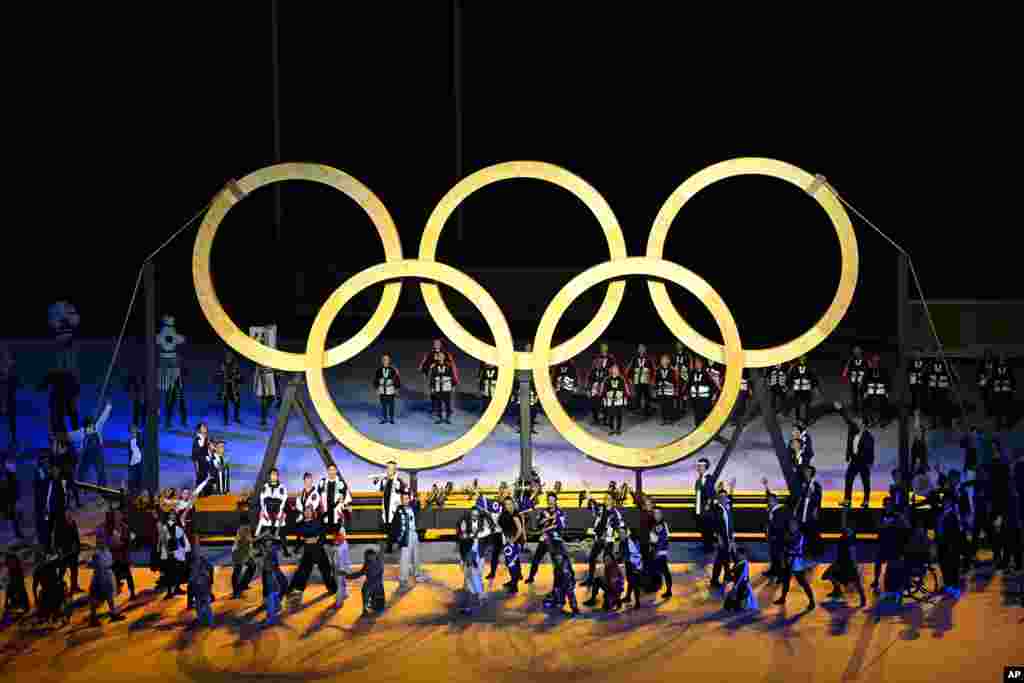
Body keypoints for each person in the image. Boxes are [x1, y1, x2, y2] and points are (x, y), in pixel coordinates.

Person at [579, 485, 623, 587]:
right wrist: (588, 495)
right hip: (598, 539)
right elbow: (593, 504)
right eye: (605, 498)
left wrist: (618, 537)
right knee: (592, 558)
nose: (605, 500)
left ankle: (610, 582)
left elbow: (620, 527)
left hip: (608, 541)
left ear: (613, 501)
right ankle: (590, 580)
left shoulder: (615, 513)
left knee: (608, 562)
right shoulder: (601, 509)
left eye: (608, 499)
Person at [288, 505, 338, 597]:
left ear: (312, 512)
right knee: (303, 571)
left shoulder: (317, 522)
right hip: (308, 551)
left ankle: (333, 589)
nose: (307, 512)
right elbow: (299, 537)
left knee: (326, 571)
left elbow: (322, 536)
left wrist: (317, 541)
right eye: (305, 511)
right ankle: (297, 589)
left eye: (309, 511)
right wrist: (296, 549)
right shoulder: (300, 523)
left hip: (318, 550)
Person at [836, 401, 875, 508]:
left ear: (863, 423)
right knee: (848, 479)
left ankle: (866, 501)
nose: (856, 421)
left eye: (859, 420)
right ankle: (847, 500)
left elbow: (871, 451)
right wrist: (841, 409)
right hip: (854, 460)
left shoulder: (869, 437)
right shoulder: (853, 430)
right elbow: (848, 420)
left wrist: (870, 463)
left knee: (865, 482)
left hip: (863, 462)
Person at [68, 401, 112, 488]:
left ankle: (103, 488)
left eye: (92, 426)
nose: (91, 429)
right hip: (86, 454)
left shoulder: (97, 427)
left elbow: (103, 418)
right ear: (85, 427)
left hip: (97, 453)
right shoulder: (80, 433)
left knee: (101, 470)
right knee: (82, 470)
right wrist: (60, 435)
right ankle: (78, 486)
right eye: (89, 427)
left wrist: (108, 406)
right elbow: (69, 436)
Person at [525, 492, 567, 585]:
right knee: (536, 559)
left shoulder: (560, 512)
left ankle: (558, 582)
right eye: (549, 500)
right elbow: (538, 524)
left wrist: (550, 524)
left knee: (556, 562)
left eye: (553, 500)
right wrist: (544, 520)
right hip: (544, 539)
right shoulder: (543, 511)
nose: (551, 502)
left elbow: (561, 526)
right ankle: (531, 577)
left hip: (555, 540)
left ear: (556, 501)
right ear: (547, 501)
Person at [774, 517, 816, 610]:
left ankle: (812, 601)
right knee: (785, 581)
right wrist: (783, 560)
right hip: (788, 560)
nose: (792, 526)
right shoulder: (788, 535)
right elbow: (783, 548)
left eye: (793, 525)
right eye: (790, 525)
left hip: (797, 562)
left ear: (797, 525)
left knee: (803, 583)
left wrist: (787, 550)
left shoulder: (800, 536)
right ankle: (783, 598)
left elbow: (795, 548)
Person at [456, 508, 491, 613]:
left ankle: (478, 597)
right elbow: (462, 541)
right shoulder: (466, 527)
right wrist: (462, 559)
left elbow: (486, 534)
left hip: (479, 555)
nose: (475, 516)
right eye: (473, 515)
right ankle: (472, 602)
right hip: (469, 555)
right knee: (469, 578)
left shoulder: (483, 527)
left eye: (476, 514)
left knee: (477, 575)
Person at [157, 316, 188, 430]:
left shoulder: (166, 334)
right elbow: (181, 339)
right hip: (170, 374)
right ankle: (168, 421)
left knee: (176, 398)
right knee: (170, 398)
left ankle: (174, 420)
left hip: (173, 375)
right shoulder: (168, 334)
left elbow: (180, 339)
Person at [822, 527, 867, 607]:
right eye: (847, 531)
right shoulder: (843, 539)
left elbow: (852, 552)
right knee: (828, 575)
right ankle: (837, 590)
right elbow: (845, 552)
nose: (848, 532)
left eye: (850, 531)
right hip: (841, 563)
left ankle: (863, 599)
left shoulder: (850, 540)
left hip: (848, 564)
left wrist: (854, 564)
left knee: (856, 581)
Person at [87, 536, 125, 626]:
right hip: (99, 577)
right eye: (100, 542)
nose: (102, 543)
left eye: (103, 541)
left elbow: (110, 562)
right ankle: (93, 618)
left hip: (108, 575)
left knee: (110, 596)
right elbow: (92, 563)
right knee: (96, 598)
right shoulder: (96, 553)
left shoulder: (107, 551)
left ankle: (113, 614)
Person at [372, 461, 407, 554]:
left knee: (395, 527)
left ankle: (392, 545)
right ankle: (390, 544)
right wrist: (377, 480)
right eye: (388, 468)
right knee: (387, 525)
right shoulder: (384, 480)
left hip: (395, 507)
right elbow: (380, 488)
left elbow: (404, 491)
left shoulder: (399, 481)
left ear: (395, 470)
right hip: (386, 506)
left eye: (392, 468)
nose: (389, 470)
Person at [394, 491, 426, 589]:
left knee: (416, 556)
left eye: (407, 498)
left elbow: (420, 505)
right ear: (401, 500)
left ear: (409, 499)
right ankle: (403, 579)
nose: (405, 500)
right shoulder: (399, 510)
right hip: (405, 535)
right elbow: (395, 526)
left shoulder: (413, 507)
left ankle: (418, 575)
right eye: (403, 499)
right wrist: (397, 539)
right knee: (405, 558)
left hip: (414, 533)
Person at [257, 534, 289, 624]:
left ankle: (276, 607)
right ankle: (271, 615)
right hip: (269, 573)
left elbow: (281, 543)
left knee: (280, 588)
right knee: (271, 593)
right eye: (266, 541)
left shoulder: (272, 548)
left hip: (274, 571)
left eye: (269, 540)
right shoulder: (265, 550)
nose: (269, 542)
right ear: (264, 543)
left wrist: (272, 537)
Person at [761, 478, 788, 582]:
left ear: (775, 501)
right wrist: (766, 485)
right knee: (773, 555)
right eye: (768, 501)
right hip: (771, 537)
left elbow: (780, 526)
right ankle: (773, 571)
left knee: (779, 557)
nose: (768, 502)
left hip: (778, 538)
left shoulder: (781, 510)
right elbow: (768, 494)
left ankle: (781, 575)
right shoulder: (771, 509)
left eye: (770, 501)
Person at [498, 496, 526, 594]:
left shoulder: (515, 515)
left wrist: (513, 541)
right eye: (506, 504)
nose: (508, 506)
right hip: (507, 541)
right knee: (513, 562)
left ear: (513, 504)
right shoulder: (504, 514)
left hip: (514, 543)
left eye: (510, 504)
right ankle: (514, 580)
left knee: (511, 564)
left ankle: (514, 586)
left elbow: (519, 530)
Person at [39, 369, 80, 435]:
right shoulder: (58, 376)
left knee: (66, 415)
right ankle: (59, 434)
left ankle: (69, 434)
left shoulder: (70, 379)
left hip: (65, 395)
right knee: (58, 417)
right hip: (60, 397)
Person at [105, 509, 135, 600]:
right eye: (115, 516)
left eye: (118, 515)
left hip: (123, 555)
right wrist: (111, 544)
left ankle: (132, 593)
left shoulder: (125, 527)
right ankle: (115, 590)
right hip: (114, 555)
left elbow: (128, 542)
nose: (117, 517)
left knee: (128, 575)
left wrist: (122, 544)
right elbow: (107, 540)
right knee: (115, 575)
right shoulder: (110, 528)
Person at [795, 465, 824, 559]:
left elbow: (818, 499)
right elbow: (800, 498)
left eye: (807, 471)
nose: (805, 473)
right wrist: (796, 509)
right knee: (802, 532)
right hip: (802, 511)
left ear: (811, 473)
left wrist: (816, 510)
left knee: (812, 534)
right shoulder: (803, 484)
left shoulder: (816, 485)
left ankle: (815, 552)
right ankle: (802, 551)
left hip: (810, 512)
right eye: (805, 471)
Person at [709, 486, 735, 591]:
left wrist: (732, 537)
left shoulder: (727, 506)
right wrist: (718, 538)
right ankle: (725, 577)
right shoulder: (716, 508)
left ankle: (720, 578)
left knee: (722, 559)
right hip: (722, 538)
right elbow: (714, 525)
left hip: (728, 537)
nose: (724, 499)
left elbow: (730, 522)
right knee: (723, 558)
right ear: (718, 498)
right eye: (721, 497)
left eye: (725, 497)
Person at [425, 348, 458, 425]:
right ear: (437, 357)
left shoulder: (449, 366)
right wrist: (432, 387)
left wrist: (453, 386)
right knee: (438, 403)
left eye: (441, 356)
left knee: (447, 404)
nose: (440, 357)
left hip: (447, 387)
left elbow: (452, 376)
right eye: (439, 356)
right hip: (438, 387)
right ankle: (440, 418)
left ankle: (447, 417)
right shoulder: (434, 367)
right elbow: (432, 378)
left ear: (444, 357)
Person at [317, 463, 352, 534]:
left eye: (333, 470)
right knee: (323, 534)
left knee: (339, 534)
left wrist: (346, 506)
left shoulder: (341, 483)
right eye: (330, 470)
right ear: (327, 471)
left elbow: (347, 498)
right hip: (325, 513)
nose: (331, 472)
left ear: (336, 471)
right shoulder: (322, 482)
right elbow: (318, 496)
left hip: (337, 513)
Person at [255, 468, 288, 542]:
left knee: (282, 535)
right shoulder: (265, 486)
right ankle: (262, 550)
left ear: (278, 476)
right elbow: (262, 501)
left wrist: (280, 512)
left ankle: (285, 551)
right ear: (269, 476)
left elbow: (284, 501)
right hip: (267, 513)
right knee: (262, 534)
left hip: (278, 513)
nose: (274, 476)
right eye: (272, 474)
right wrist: (263, 512)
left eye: (275, 475)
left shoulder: (282, 487)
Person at [188, 539, 215, 627]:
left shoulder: (195, 563)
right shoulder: (201, 562)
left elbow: (191, 579)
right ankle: (208, 620)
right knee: (203, 604)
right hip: (202, 586)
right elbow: (211, 570)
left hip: (201, 586)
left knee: (202, 604)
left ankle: (205, 619)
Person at [724, 546, 758, 612]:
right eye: (737, 554)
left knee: (740, 598)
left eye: (738, 554)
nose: (737, 556)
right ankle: (734, 607)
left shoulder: (744, 563)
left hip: (742, 584)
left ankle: (739, 607)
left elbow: (742, 576)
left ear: (743, 555)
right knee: (734, 598)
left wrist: (736, 585)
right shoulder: (739, 562)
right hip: (737, 584)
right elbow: (734, 571)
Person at [215, 351, 243, 426]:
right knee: (225, 404)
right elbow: (219, 374)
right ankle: (225, 420)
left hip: (233, 387)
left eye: (230, 355)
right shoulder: (222, 364)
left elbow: (238, 375)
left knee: (237, 402)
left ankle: (236, 417)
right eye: (228, 355)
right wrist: (221, 377)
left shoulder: (235, 365)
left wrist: (237, 378)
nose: (229, 357)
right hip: (225, 387)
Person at [862, 355, 891, 428]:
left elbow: (888, 381)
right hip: (870, 391)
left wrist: (887, 392)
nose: (875, 363)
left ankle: (883, 420)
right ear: (872, 362)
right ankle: (868, 420)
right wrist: (865, 392)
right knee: (865, 403)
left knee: (884, 403)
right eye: (874, 361)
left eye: (877, 361)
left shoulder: (884, 370)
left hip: (881, 391)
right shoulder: (868, 370)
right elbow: (864, 381)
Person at [649, 507, 672, 598]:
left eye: (658, 513)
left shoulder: (661, 525)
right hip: (657, 552)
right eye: (654, 513)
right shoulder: (656, 524)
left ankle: (668, 590)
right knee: (660, 571)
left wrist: (657, 550)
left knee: (665, 572)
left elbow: (664, 539)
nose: (656, 515)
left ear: (661, 514)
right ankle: (659, 587)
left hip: (660, 553)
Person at [788, 356, 819, 425]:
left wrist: (815, 387)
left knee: (801, 405)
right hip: (802, 388)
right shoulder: (805, 367)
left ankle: (802, 420)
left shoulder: (796, 368)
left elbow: (813, 378)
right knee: (802, 405)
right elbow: (813, 378)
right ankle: (801, 420)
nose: (802, 360)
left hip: (801, 388)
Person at [694, 458, 716, 553]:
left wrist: (708, 505)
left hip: (706, 510)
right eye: (698, 466)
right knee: (703, 529)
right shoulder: (698, 480)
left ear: (705, 467)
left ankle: (709, 548)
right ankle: (707, 546)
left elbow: (711, 493)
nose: (699, 467)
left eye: (701, 466)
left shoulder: (709, 478)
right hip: (699, 509)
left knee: (708, 530)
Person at [688, 358, 718, 427]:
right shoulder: (692, 373)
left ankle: (707, 425)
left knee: (705, 412)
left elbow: (712, 384)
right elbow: (688, 384)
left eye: (699, 363)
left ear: (702, 364)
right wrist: (685, 394)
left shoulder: (706, 373)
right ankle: (697, 426)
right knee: (696, 412)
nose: (697, 364)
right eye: (696, 363)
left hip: (704, 397)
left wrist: (713, 395)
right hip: (695, 397)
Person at [373, 353, 401, 424]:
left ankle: (391, 418)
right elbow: (376, 380)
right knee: (383, 405)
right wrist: (376, 388)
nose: (385, 361)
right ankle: (384, 418)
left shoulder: (393, 370)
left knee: (391, 405)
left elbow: (397, 380)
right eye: (384, 359)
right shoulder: (379, 370)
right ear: (382, 361)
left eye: (387, 359)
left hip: (390, 390)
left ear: (389, 360)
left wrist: (397, 389)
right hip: (382, 390)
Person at [926, 355, 954, 429]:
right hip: (934, 389)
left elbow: (951, 375)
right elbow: (927, 375)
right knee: (934, 407)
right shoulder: (931, 364)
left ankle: (946, 423)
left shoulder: (946, 363)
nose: (938, 355)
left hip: (943, 389)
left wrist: (950, 383)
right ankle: (934, 423)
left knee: (944, 405)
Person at [653, 354, 681, 426]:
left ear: (669, 361)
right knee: (662, 405)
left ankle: (670, 420)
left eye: (665, 359)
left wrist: (676, 390)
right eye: (662, 360)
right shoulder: (658, 370)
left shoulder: (673, 370)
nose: (664, 361)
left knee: (670, 405)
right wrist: (655, 388)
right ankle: (663, 419)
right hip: (660, 390)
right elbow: (655, 380)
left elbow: (676, 381)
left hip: (670, 390)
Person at [0, 450, 23, 539]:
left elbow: (15, 485)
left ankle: (17, 533)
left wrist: (17, 497)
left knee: (13, 516)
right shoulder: (8, 471)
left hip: (10, 497)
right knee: (11, 516)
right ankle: (16, 533)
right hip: (7, 497)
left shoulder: (10, 472)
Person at [626, 344, 654, 417]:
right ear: (638, 350)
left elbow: (653, 370)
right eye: (640, 348)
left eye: (643, 348)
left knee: (647, 396)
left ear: (645, 350)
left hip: (646, 381)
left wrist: (652, 380)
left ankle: (647, 411)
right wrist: (629, 379)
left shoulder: (649, 359)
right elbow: (629, 369)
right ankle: (636, 410)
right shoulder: (634, 359)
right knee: (637, 396)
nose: (641, 350)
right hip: (637, 381)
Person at [990, 356, 1016, 431]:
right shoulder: (994, 371)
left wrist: (1011, 388)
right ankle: (998, 425)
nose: (1002, 363)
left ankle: (1008, 424)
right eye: (1000, 362)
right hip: (997, 394)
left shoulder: (1009, 370)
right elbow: (992, 381)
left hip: (1006, 393)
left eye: (1003, 361)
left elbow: (1012, 381)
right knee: (998, 410)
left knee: (1007, 410)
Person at [231, 525, 257, 599]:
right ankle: (236, 592)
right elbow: (246, 541)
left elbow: (249, 543)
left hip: (245, 553)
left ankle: (243, 585)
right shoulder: (242, 529)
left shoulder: (246, 529)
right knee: (237, 571)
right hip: (239, 554)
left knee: (252, 566)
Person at [0, 348, 18, 445]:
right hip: (5, 399)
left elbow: (11, 387)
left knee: (11, 421)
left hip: (10, 400)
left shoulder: (12, 373)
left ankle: (13, 440)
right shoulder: (5, 371)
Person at [842, 346, 867, 415]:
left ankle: (864, 411)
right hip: (853, 381)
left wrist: (864, 380)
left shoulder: (865, 360)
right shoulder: (851, 360)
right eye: (855, 351)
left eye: (858, 351)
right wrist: (845, 376)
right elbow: (846, 369)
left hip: (862, 381)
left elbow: (867, 370)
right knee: (854, 397)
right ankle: (855, 411)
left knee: (863, 397)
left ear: (861, 351)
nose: (856, 352)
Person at [3, 551, 29, 616]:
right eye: (10, 563)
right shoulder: (10, 571)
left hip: (17, 579)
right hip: (13, 580)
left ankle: (23, 606)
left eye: (13, 562)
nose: (11, 564)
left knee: (20, 590)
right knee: (10, 589)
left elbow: (22, 588)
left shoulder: (18, 571)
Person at [907, 350, 929, 419]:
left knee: (922, 398)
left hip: (922, 384)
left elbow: (926, 374)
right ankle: (913, 411)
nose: (917, 355)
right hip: (913, 384)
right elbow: (908, 372)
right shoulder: (910, 362)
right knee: (914, 398)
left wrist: (923, 375)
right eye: (916, 353)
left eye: (919, 353)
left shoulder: (925, 363)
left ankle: (922, 411)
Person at [334, 528, 352, 608]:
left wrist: (344, 568)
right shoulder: (341, 545)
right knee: (341, 584)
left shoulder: (343, 545)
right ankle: (342, 597)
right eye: (339, 536)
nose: (339, 537)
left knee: (341, 583)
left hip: (343, 568)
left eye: (341, 536)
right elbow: (336, 560)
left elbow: (343, 558)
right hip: (342, 568)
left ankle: (341, 598)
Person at [191, 423, 211, 491]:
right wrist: (196, 464)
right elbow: (195, 453)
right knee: (200, 479)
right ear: (199, 429)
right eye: (203, 427)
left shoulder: (206, 437)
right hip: (200, 462)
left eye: (205, 426)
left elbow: (208, 449)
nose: (205, 428)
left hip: (206, 462)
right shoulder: (197, 439)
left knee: (207, 478)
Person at [127, 424, 143, 493]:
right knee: (132, 478)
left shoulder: (140, 439)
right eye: (131, 431)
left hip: (139, 462)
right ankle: (131, 490)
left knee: (138, 478)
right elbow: (131, 452)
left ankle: (137, 490)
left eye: (134, 431)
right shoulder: (130, 440)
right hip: (133, 463)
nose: (133, 433)